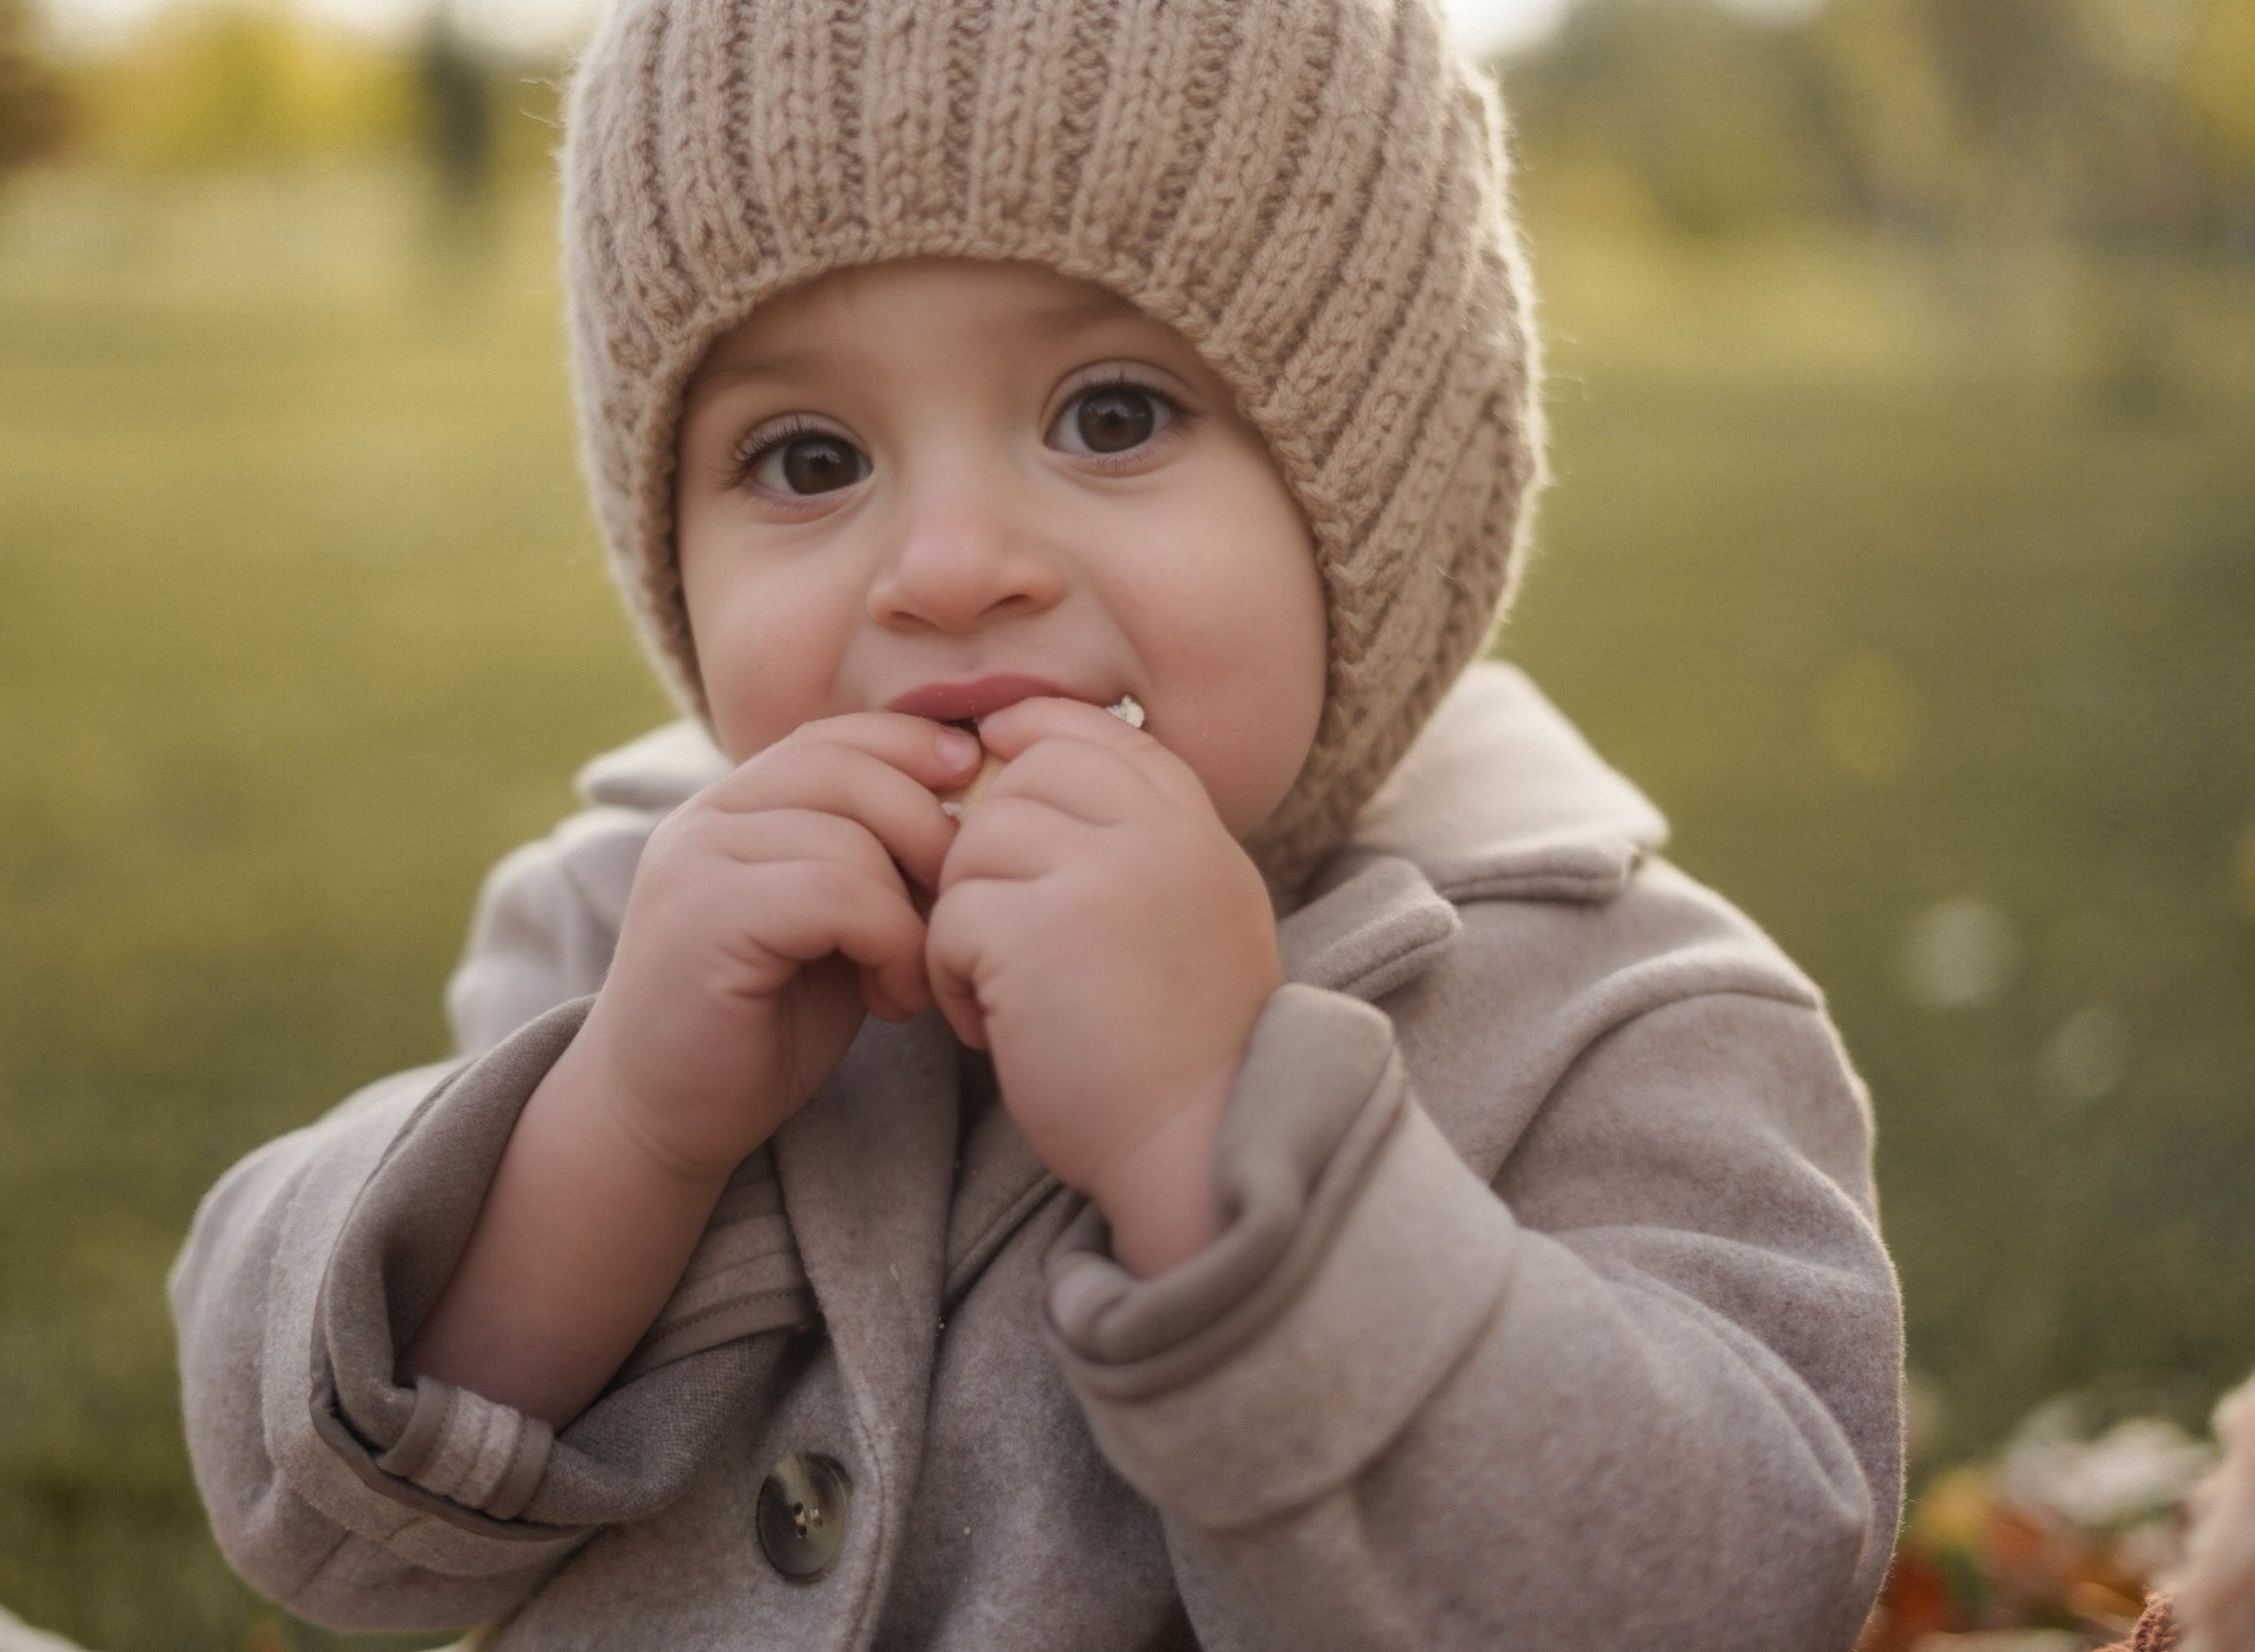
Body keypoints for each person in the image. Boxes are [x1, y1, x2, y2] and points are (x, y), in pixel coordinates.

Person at [169, 0, 1905, 1645]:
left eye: (1113, 415)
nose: (945, 568)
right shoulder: (628, 921)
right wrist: (617, 1130)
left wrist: (1208, 1138)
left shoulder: (1616, 1012)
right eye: (806, 457)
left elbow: (1731, 1588)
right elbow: (324, 1525)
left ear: (1373, 491)